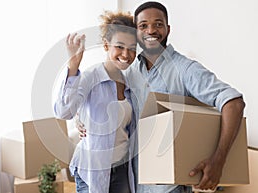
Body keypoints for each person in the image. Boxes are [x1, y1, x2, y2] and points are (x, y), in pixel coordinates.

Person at [78, 1, 246, 193]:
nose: (151, 30)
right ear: (136, 32)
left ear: (168, 29)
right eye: (143, 26)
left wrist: (219, 160)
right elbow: (106, 102)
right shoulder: (131, 71)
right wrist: (81, 118)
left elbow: (233, 102)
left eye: (158, 24)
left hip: (170, 187)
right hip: (136, 184)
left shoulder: (185, 69)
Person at [54, 11, 139, 193]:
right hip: (92, 170)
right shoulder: (91, 77)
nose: (126, 54)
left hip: (122, 169)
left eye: (132, 48)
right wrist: (73, 66)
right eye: (120, 46)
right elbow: (63, 111)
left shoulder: (131, 82)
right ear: (106, 45)